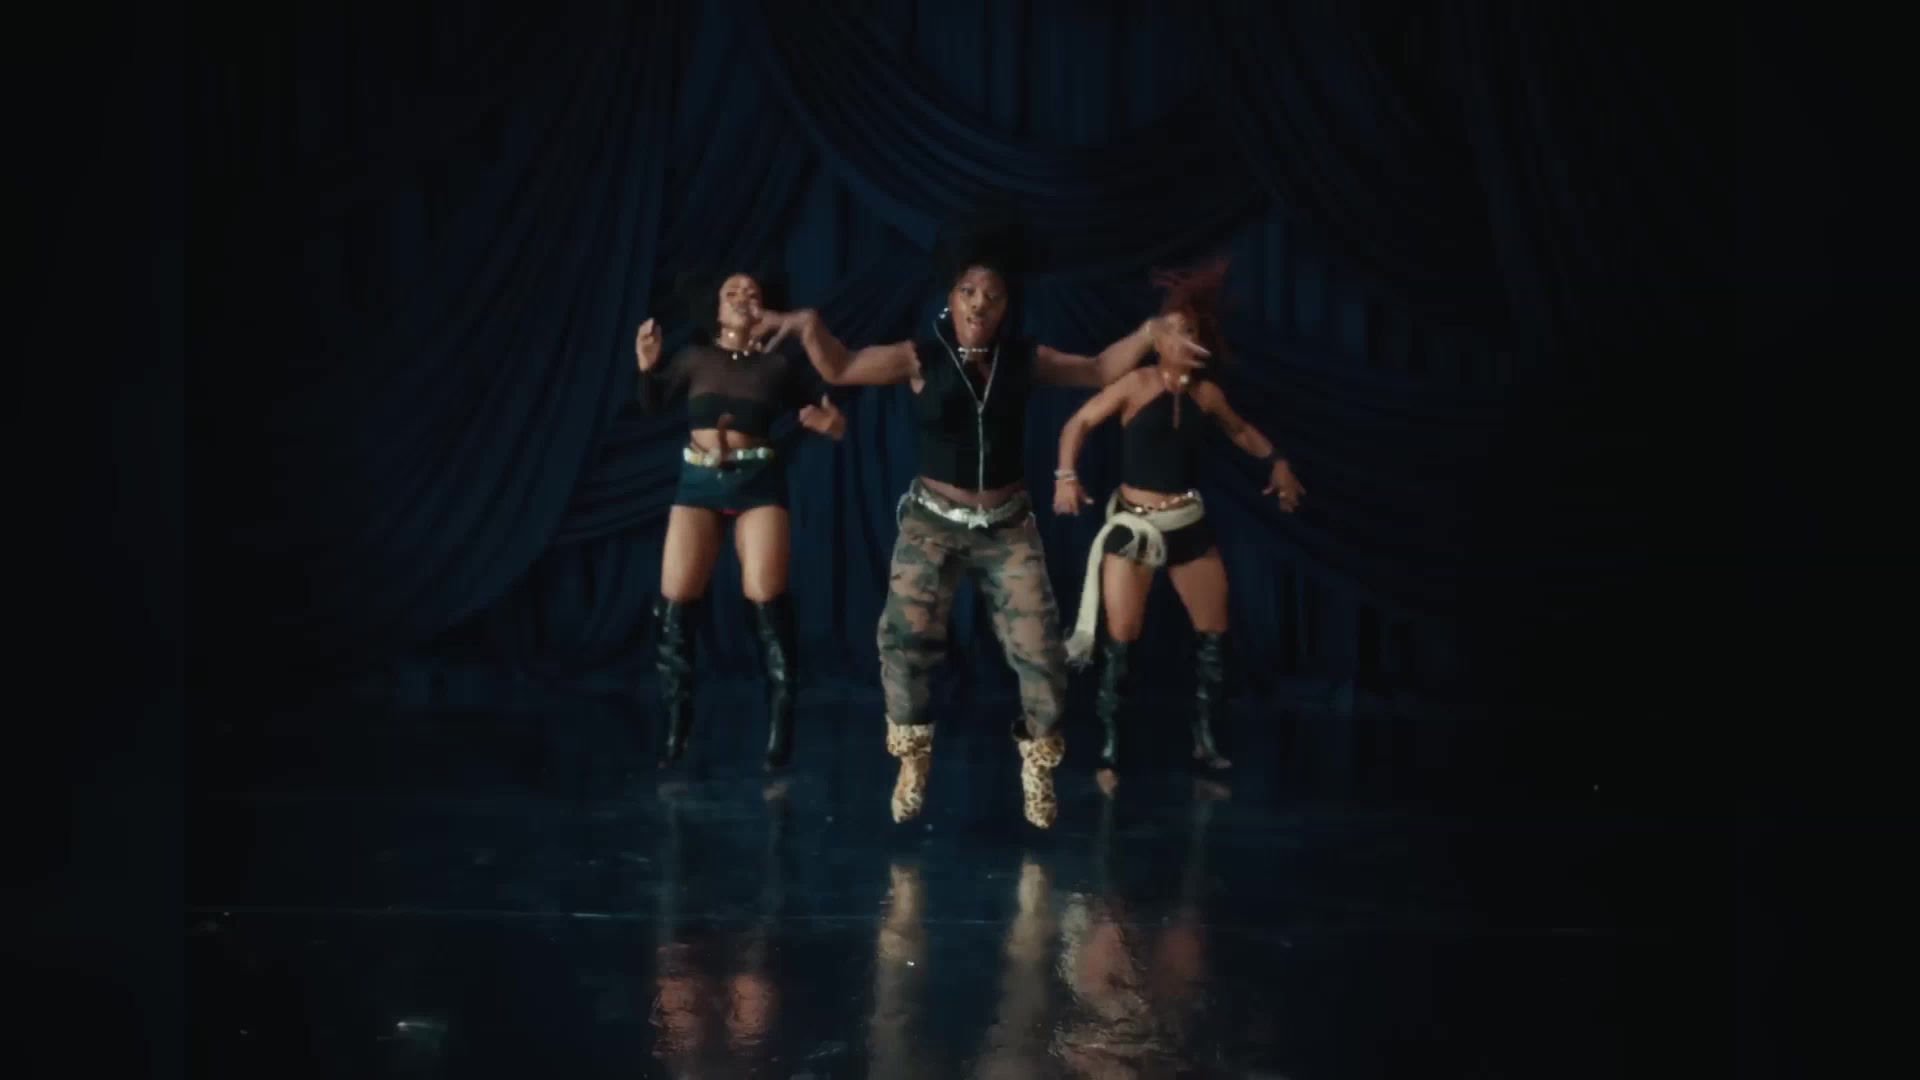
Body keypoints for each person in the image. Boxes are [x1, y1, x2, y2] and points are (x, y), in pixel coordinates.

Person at [754, 222, 1195, 827]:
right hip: (932, 524)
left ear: (1006, 306)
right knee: (903, 642)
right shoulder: (920, 356)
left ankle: (1037, 764)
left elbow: (1096, 370)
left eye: (992, 296)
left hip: (1008, 526)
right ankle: (913, 756)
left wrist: (1149, 333)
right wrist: (809, 326)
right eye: (968, 292)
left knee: (1041, 651)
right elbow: (843, 366)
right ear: (951, 298)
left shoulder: (1023, 360)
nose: (979, 305)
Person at [1052, 258, 1305, 775]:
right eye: (1173, 330)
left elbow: (1241, 431)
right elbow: (1078, 422)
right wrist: (1065, 475)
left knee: (1214, 634)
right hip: (1134, 526)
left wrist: (1277, 462)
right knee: (1122, 635)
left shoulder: (1206, 394)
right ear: (1158, 339)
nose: (1183, 339)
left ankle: (1205, 738)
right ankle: (1112, 741)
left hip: (1186, 524)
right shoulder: (1135, 383)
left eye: (1191, 331)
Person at [633, 270, 845, 769]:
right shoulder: (694, 358)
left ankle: (779, 728)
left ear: (766, 307)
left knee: (765, 597)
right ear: (716, 307)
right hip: (698, 483)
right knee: (675, 601)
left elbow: (829, 418)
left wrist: (831, 424)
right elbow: (652, 404)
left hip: (757, 484)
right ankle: (677, 727)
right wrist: (647, 366)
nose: (743, 298)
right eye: (732, 292)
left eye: (753, 292)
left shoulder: (777, 366)